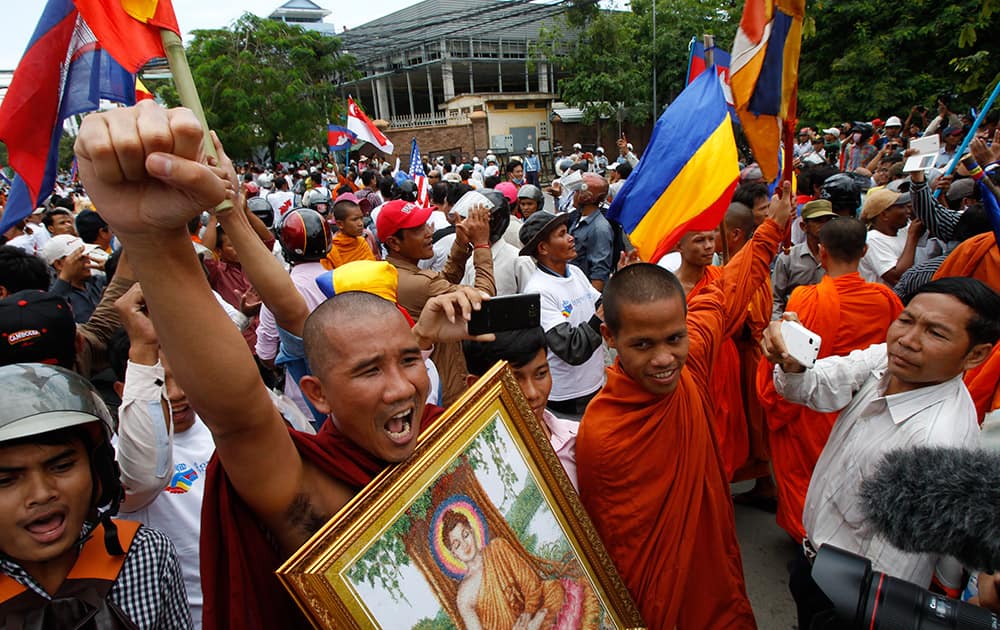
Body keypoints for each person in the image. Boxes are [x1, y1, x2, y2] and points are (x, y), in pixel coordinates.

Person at [72, 101, 499, 627]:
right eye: (368, 370)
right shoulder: (315, 491)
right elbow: (240, 414)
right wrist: (154, 240)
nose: (400, 389)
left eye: (409, 360)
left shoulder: (458, 438)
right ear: (315, 395)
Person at [577, 183, 790, 629]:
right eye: (642, 344)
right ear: (610, 339)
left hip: (718, 585)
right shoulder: (603, 432)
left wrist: (771, 229)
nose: (663, 358)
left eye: (674, 338)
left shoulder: (690, 361)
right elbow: (617, 549)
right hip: (659, 606)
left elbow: (727, 290)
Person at [764, 277, 999, 629]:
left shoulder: (937, 441)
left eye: (935, 333)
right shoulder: (886, 361)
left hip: (850, 599)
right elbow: (816, 386)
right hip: (813, 559)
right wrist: (794, 362)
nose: (907, 339)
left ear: (976, 354)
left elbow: (896, 566)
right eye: (906, 320)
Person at [0, 363, 192, 628]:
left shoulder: (144, 554)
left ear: (99, 471)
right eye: (5, 480)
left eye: (62, 466)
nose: (42, 494)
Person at [756, 217, 903, 543]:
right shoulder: (887, 299)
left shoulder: (805, 299)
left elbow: (785, 359)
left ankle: (809, 537)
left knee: (803, 474)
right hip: (863, 401)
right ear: (864, 251)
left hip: (811, 407)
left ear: (821, 253)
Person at [111, 285, 215, 628]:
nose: (177, 393)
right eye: (160, 381)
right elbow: (147, 474)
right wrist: (143, 347)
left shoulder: (223, 422)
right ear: (125, 391)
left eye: (182, 375)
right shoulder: (121, 458)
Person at [382, 198, 495, 406]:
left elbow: (442, 283)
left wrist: (461, 244)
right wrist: (481, 245)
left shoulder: (391, 272)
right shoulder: (420, 283)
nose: (428, 233)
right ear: (394, 242)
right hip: (446, 391)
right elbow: (483, 302)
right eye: (417, 229)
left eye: (425, 224)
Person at [441, 508, 599, 628]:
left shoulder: (498, 548)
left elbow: (531, 584)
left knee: (555, 593)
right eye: (457, 544)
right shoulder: (464, 596)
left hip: (535, 611)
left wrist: (529, 613)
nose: (465, 544)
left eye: (465, 535)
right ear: (453, 554)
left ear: (473, 532)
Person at [463, 328, 579, 489]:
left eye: (541, 374)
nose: (532, 393)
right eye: (513, 380)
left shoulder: (578, 440)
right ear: (477, 387)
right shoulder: (467, 471)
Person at [519, 212, 605, 418]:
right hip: (570, 397)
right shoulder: (538, 291)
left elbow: (600, 303)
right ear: (543, 248)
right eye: (562, 234)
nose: (571, 238)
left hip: (595, 383)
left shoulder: (575, 272)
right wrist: (602, 315)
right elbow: (572, 348)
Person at [771, 199, 836, 319]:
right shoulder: (788, 257)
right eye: (818, 221)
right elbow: (775, 299)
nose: (824, 226)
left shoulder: (838, 256)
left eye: (828, 221)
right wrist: (781, 326)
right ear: (804, 226)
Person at [858, 188, 924, 287]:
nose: (908, 211)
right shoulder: (872, 240)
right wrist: (913, 237)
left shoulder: (903, 230)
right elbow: (897, 278)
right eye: (901, 207)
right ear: (884, 214)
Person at [40, 234, 108, 323]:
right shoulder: (52, 295)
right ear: (59, 264)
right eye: (81, 258)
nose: (88, 260)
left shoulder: (99, 281)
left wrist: (111, 268)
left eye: (88, 254)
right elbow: (50, 313)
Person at [567, 173, 614, 291]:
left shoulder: (599, 228)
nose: (574, 195)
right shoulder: (578, 218)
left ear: (586, 196)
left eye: (577, 192)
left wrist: (592, 303)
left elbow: (599, 271)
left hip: (586, 292)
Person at [324, 194, 377, 269]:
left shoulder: (362, 243)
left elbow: (373, 268)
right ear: (340, 224)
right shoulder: (331, 250)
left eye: (361, 218)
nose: (361, 223)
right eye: (355, 219)